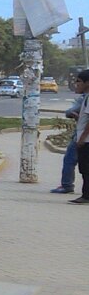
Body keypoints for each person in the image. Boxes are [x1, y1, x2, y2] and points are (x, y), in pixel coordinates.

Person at [51, 91, 86, 194]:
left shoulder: (84, 98)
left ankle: (67, 185)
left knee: (69, 160)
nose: (76, 85)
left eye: (78, 83)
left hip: (82, 134)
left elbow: (69, 112)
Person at [70, 69, 89, 205]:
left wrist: (82, 138)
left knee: (86, 169)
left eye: (79, 82)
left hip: (87, 141)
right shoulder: (86, 98)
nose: (77, 85)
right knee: (84, 168)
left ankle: (86, 195)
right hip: (84, 139)